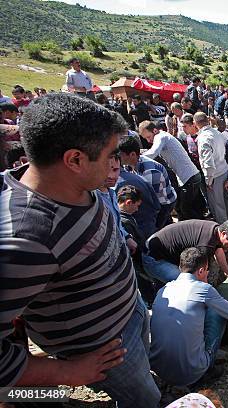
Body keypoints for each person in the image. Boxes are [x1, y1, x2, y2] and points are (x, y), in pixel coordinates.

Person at [0, 93, 160, 406]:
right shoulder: (25, 240)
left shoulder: (77, 185)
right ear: (75, 160)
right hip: (104, 351)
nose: (116, 165)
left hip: (130, 313)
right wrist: (66, 372)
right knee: (146, 401)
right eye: (110, 155)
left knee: (145, 385)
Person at [150, 247, 228, 387]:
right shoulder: (203, 289)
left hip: (160, 370)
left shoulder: (163, 290)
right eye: (206, 271)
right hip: (191, 373)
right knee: (216, 312)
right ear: (201, 271)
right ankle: (207, 369)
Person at [144, 219, 228, 284]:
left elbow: (218, 250)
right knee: (187, 283)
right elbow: (200, 275)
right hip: (154, 259)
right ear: (223, 234)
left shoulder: (215, 229)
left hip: (161, 249)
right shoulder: (205, 245)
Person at [139, 121, 204, 220]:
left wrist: (136, 158)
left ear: (155, 130)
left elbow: (153, 153)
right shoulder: (162, 136)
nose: (148, 141)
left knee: (185, 210)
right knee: (188, 209)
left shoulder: (160, 137)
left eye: (148, 137)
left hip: (189, 178)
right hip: (190, 177)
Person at [118, 135, 177, 228]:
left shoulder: (149, 172)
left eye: (120, 155)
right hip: (157, 200)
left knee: (159, 228)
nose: (118, 158)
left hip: (163, 203)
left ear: (132, 154)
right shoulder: (129, 165)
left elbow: (153, 201)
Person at [195, 112, 228, 223]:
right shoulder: (216, 132)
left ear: (195, 123)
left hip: (216, 175)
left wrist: (208, 181)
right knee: (226, 202)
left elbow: (208, 164)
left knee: (218, 205)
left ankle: (224, 230)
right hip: (224, 169)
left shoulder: (204, 138)